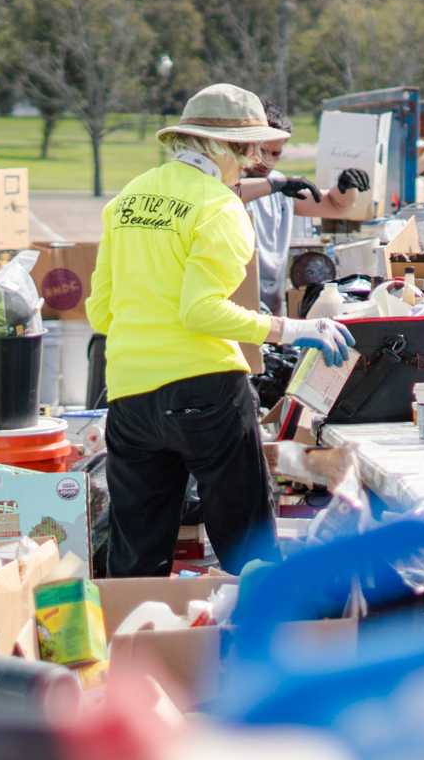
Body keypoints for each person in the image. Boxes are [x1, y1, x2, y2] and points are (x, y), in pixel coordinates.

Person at [86, 84, 356, 577]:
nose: (254, 162)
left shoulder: (127, 198)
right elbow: (200, 312)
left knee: (135, 559)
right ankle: (254, 650)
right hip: (206, 391)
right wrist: (292, 329)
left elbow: (100, 312)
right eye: (251, 149)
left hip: (129, 392)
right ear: (227, 148)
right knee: (247, 550)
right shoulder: (219, 206)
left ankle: (131, 649)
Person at [234, 104, 367, 316]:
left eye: (275, 153)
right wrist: (276, 185)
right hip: (234, 311)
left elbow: (336, 206)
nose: (265, 161)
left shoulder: (280, 185)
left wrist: (346, 186)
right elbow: (231, 193)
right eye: (260, 151)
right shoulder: (227, 183)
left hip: (271, 312)